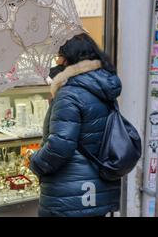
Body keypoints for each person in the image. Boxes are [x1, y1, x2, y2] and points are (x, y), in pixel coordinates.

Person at [29, 33, 121, 217]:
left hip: (69, 194)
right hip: (97, 187)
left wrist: (35, 163)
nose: (56, 60)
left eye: (59, 56)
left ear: (67, 59)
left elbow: (60, 146)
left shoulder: (70, 94)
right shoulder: (102, 88)